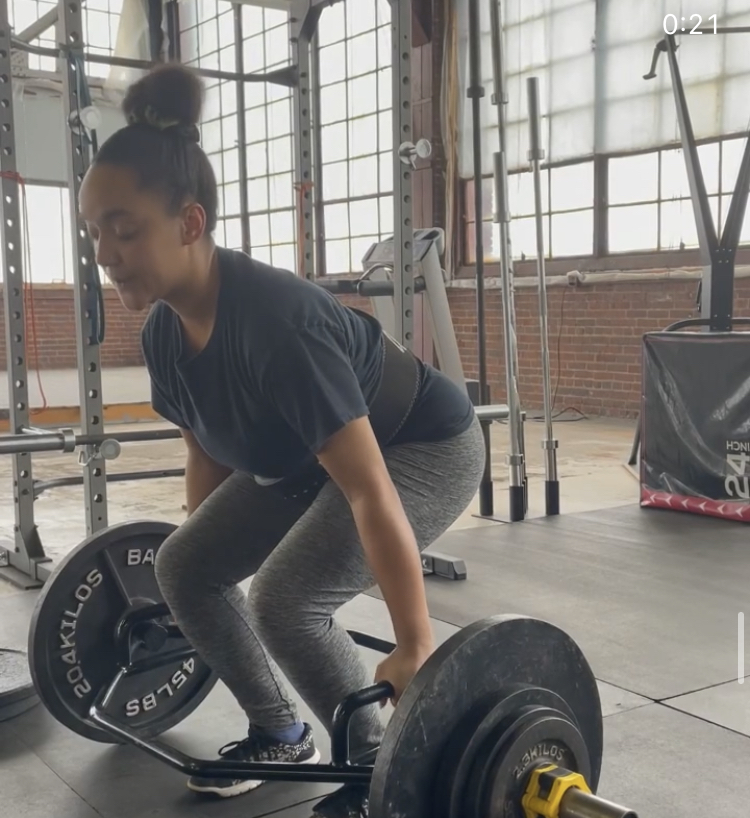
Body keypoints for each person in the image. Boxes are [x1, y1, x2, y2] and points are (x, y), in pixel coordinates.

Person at [78, 63, 485, 818]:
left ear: (191, 223)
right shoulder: (164, 332)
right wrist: (211, 553)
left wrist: (414, 641)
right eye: (93, 232)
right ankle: (280, 728)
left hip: (422, 448)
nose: (104, 251)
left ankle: (374, 767)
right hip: (312, 454)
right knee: (184, 564)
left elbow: (367, 487)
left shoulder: (277, 326)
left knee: (287, 600)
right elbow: (209, 447)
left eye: (123, 229)